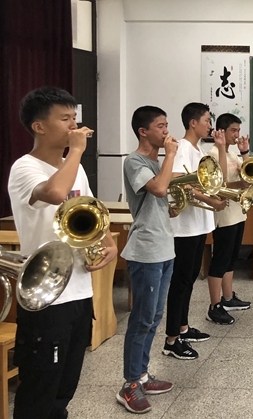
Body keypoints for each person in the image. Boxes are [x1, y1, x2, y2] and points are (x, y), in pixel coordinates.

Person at [7, 86, 117, 419]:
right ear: (39, 126)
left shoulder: (75, 167)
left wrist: (108, 241)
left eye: (75, 118)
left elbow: (90, 207)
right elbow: (56, 192)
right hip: (46, 295)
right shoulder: (25, 168)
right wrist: (77, 151)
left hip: (79, 290)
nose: (74, 126)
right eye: (65, 119)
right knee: (40, 388)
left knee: (65, 387)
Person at [116, 106, 179, 413]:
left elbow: (165, 201)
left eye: (167, 125)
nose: (166, 131)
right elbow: (159, 188)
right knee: (142, 319)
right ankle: (129, 384)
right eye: (161, 126)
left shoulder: (155, 163)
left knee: (154, 317)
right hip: (146, 251)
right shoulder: (135, 161)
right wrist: (170, 156)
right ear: (143, 131)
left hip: (165, 249)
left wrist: (174, 206)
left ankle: (142, 374)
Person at [162, 102, 227, 360]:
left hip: (199, 224)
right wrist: (211, 201)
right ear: (193, 122)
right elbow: (178, 182)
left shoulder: (198, 149)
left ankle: (183, 327)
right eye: (207, 120)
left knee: (189, 279)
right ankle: (171, 340)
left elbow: (212, 180)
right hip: (184, 228)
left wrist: (221, 147)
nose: (210, 125)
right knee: (180, 281)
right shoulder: (182, 148)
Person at [205, 113, 252, 325]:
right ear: (222, 131)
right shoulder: (213, 153)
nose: (237, 134)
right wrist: (238, 185)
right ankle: (214, 306)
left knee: (231, 257)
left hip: (237, 212)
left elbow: (249, 175)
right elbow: (219, 183)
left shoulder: (232, 154)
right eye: (233, 130)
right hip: (223, 214)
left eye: (238, 130)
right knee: (221, 258)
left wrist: (245, 153)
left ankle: (228, 297)